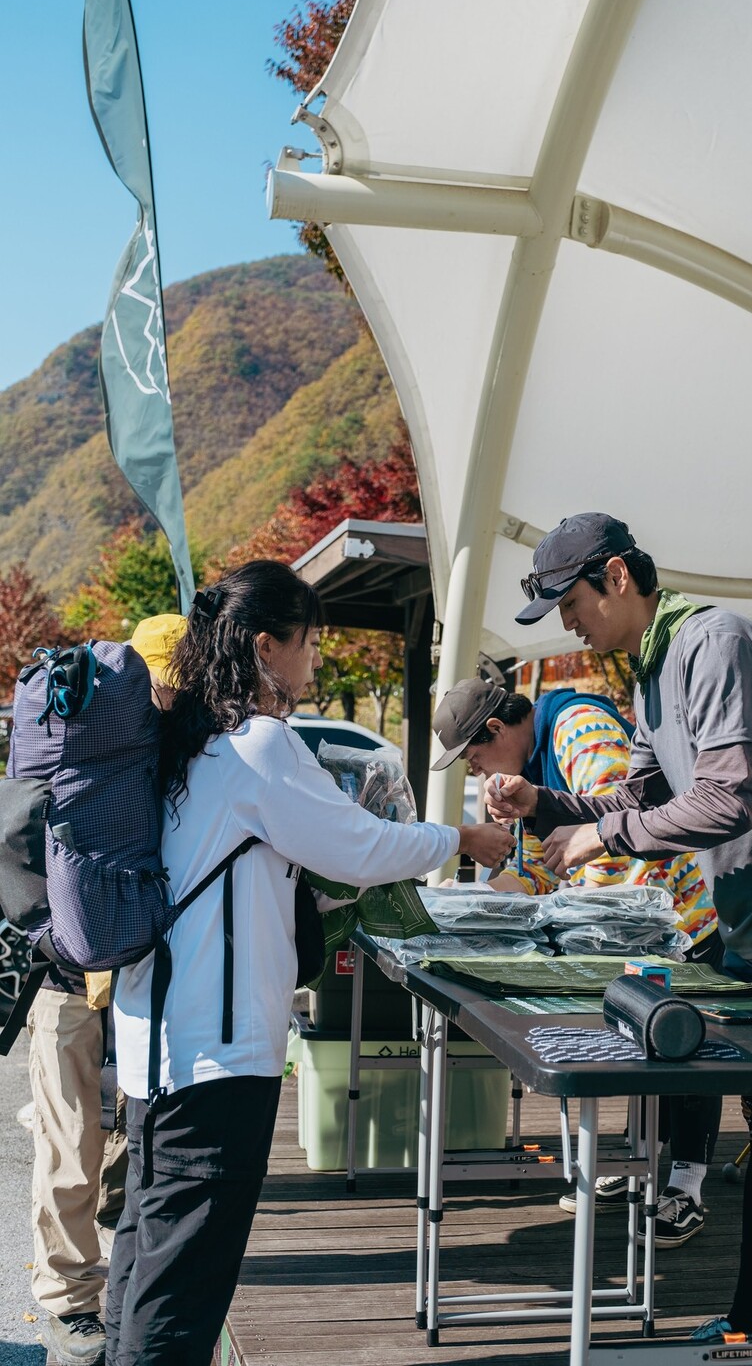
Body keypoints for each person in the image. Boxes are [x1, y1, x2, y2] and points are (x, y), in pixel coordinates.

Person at [487, 512, 752, 1341]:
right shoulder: (651, 669)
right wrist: (546, 804)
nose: (566, 624)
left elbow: (726, 798)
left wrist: (600, 835)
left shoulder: (715, 644)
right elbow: (640, 797)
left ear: (614, 576)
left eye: (569, 602)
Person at [104, 561, 513, 1366]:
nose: (318, 660)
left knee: (145, 1256)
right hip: (216, 1057)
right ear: (266, 646)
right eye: (310, 640)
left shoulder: (194, 740)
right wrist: (457, 839)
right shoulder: (259, 744)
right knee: (184, 1282)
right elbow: (359, 845)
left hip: (154, 1047)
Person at [432, 677, 722, 1247]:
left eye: (473, 759)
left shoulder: (577, 727)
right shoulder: (526, 774)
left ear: (495, 730)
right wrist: (467, 905)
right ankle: (641, 1157)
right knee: (639, 1049)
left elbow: (619, 836)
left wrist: (572, 914)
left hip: (675, 923)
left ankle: (687, 1184)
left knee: (684, 1055)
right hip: (620, 931)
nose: (477, 773)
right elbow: (539, 869)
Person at [26, 614, 185, 1366]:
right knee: (70, 1146)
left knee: (113, 1141)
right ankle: (67, 1303)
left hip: (124, 975)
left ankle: (102, 1286)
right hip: (69, 978)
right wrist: (49, 933)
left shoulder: (146, 751)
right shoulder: (104, 744)